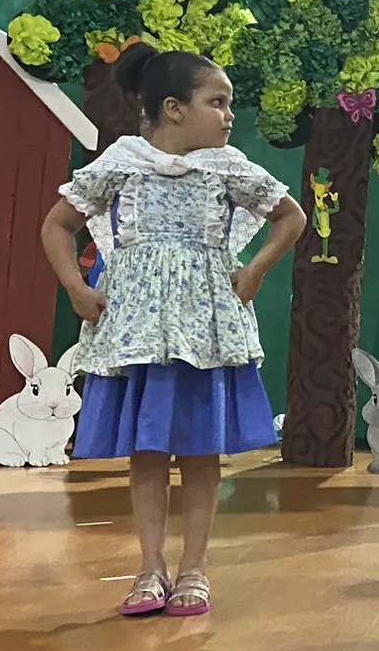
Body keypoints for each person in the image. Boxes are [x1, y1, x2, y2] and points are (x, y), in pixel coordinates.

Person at [40, 45, 305, 619]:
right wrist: (76, 288)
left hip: (204, 331)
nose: (228, 116)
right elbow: (58, 225)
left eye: (229, 104)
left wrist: (256, 269)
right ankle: (150, 566)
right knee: (148, 450)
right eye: (217, 102)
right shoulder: (122, 161)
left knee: (200, 450)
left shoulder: (228, 166)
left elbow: (291, 216)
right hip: (138, 329)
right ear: (174, 108)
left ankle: (194, 568)